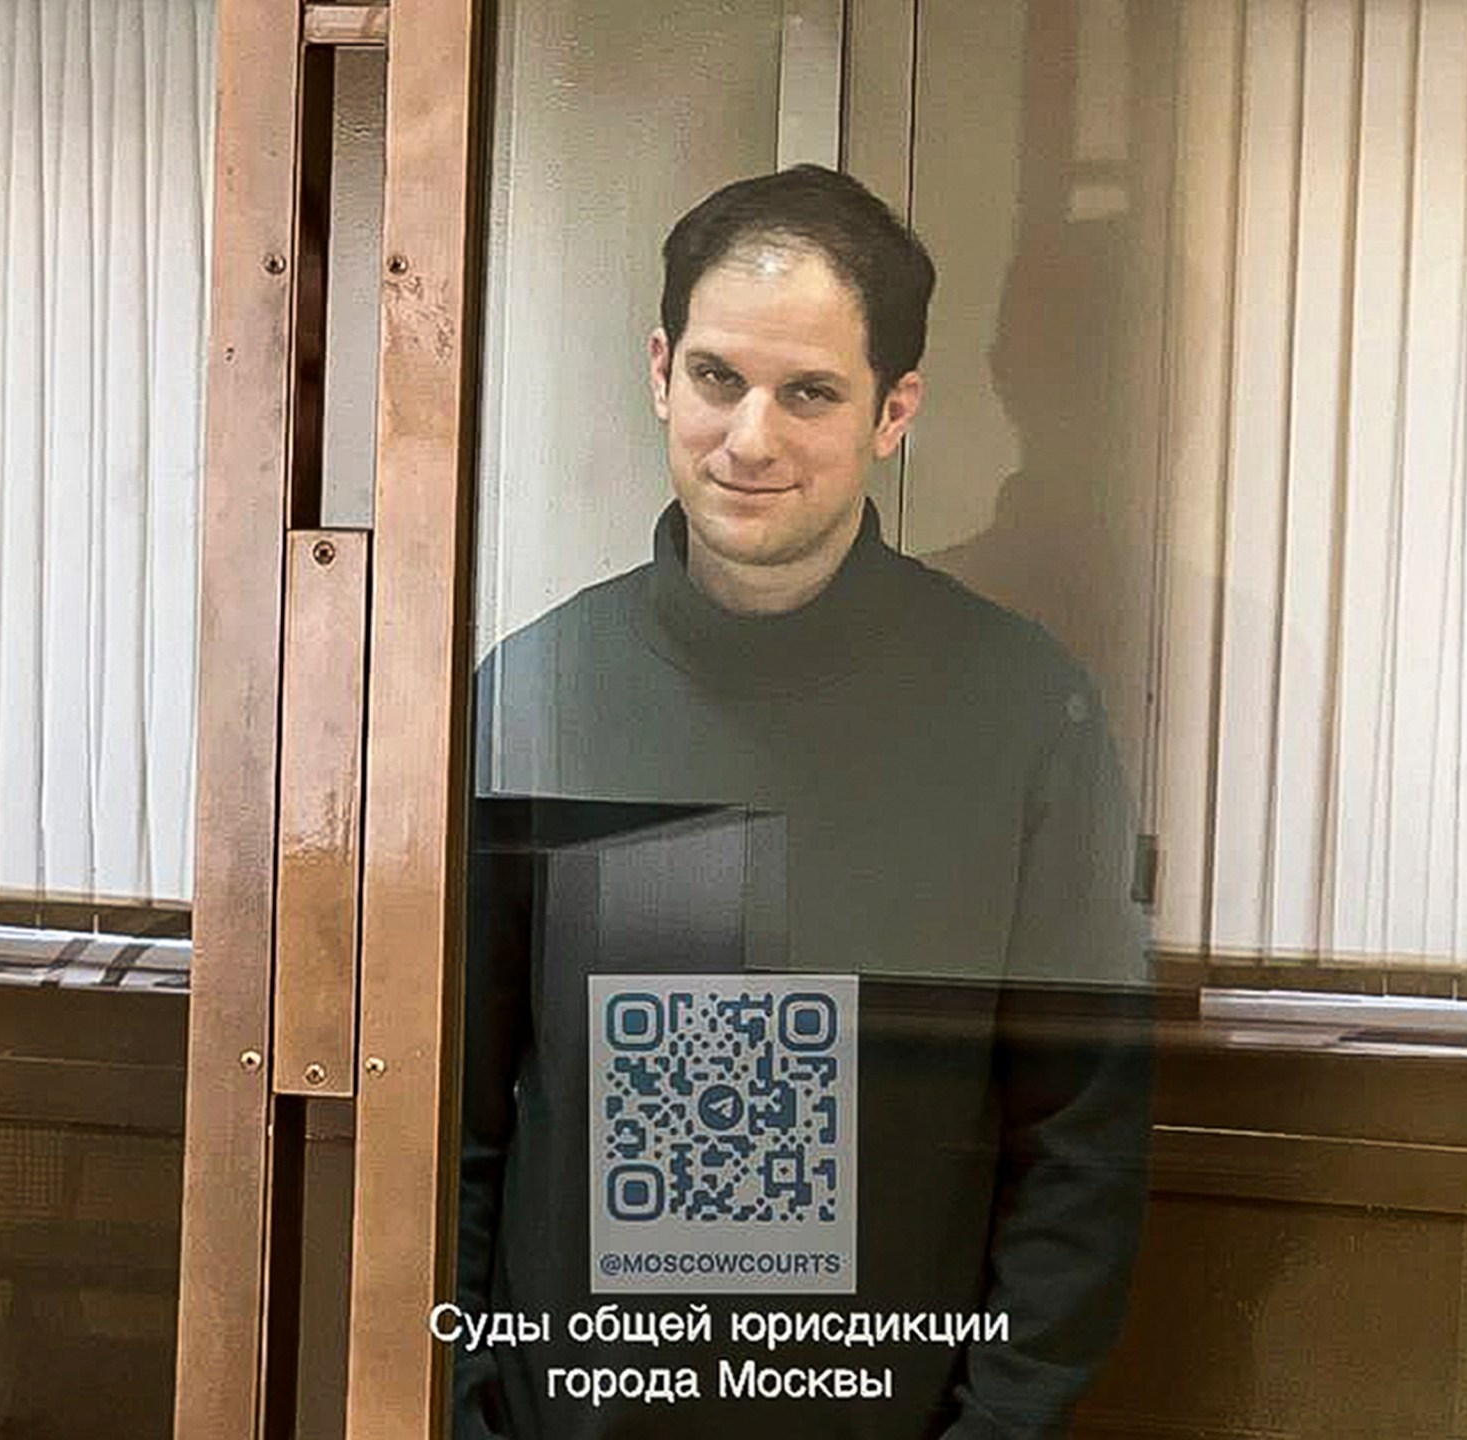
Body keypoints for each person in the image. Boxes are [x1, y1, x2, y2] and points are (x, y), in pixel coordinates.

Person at [456, 164, 1153, 1440]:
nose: (751, 437)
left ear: (895, 412)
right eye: (719, 377)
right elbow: (453, 1125)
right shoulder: (536, 696)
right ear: (660, 369)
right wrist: (470, 1412)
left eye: (811, 393)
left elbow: (1079, 1144)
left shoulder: (1021, 710)